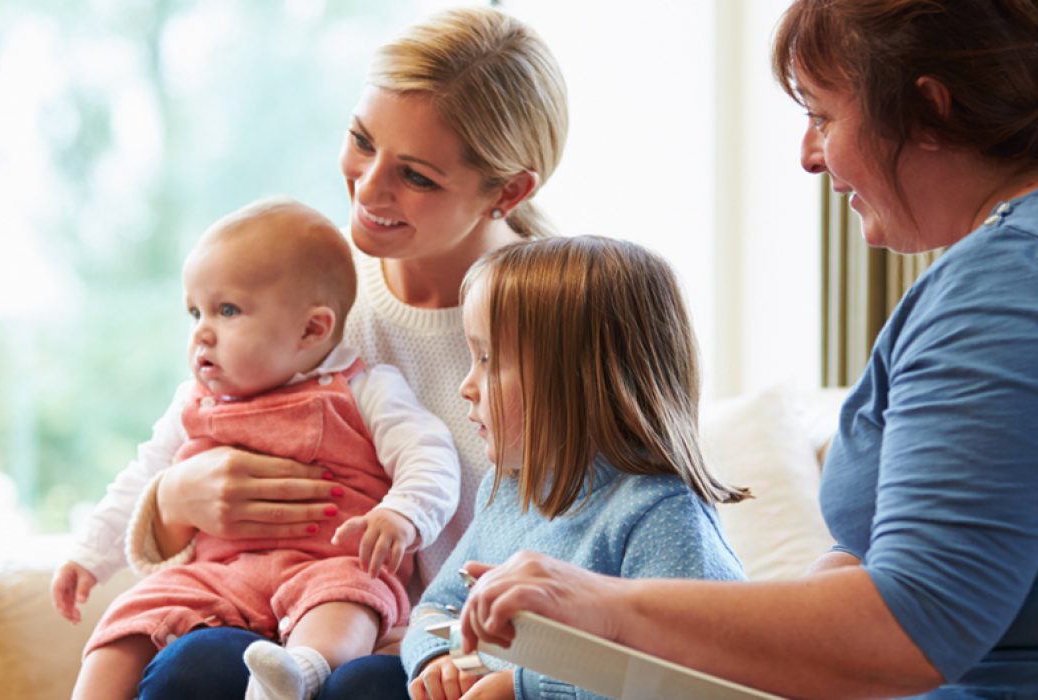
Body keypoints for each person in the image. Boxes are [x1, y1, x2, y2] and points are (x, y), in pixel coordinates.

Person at [449, 1, 1038, 698]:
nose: (810, 156)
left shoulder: (1023, 278)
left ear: (930, 107)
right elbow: (884, 582)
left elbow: (912, 626)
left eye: (824, 115)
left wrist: (602, 604)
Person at [124, 7, 569, 698]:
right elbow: (189, 429)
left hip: (451, 654)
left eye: (416, 176)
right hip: (279, 613)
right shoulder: (306, 282)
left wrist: (430, 634)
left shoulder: (561, 320)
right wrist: (171, 501)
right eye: (362, 140)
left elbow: (591, 543)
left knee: (363, 688)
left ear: (508, 192)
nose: (367, 189)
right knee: (197, 666)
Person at [60, 199, 461, 700]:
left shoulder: (365, 388)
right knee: (134, 615)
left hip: (327, 561)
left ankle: (299, 674)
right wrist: (87, 556)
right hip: (219, 573)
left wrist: (404, 514)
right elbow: (142, 476)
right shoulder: (193, 402)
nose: (202, 332)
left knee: (354, 599)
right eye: (195, 311)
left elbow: (431, 456)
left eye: (227, 310)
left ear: (312, 329)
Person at [403, 236, 748, 700]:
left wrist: (521, 690)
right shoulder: (505, 489)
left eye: (487, 359)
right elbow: (438, 607)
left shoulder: (660, 515)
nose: (467, 385)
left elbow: (684, 681)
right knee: (363, 680)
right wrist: (445, 660)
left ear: (576, 378)